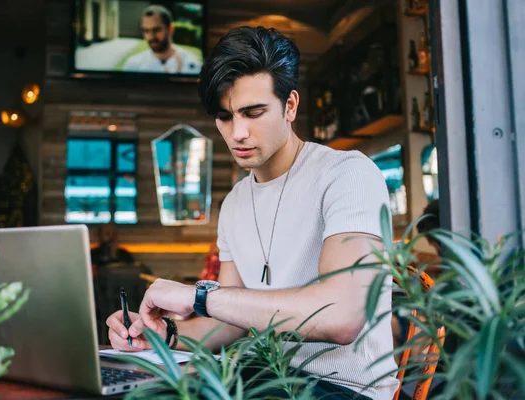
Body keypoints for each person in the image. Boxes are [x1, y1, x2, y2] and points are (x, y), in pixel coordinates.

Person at [107, 26, 398, 399]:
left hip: (345, 388)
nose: (237, 133)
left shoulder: (347, 174)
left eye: (253, 112)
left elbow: (341, 317)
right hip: (264, 376)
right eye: (225, 117)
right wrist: (164, 335)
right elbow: (231, 324)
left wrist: (198, 297)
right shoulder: (235, 202)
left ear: (290, 106)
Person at [122, 5, 201, 75]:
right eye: (146, 31)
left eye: (156, 30)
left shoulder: (191, 64)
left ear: (170, 29)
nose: (151, 36)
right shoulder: (133, 64)